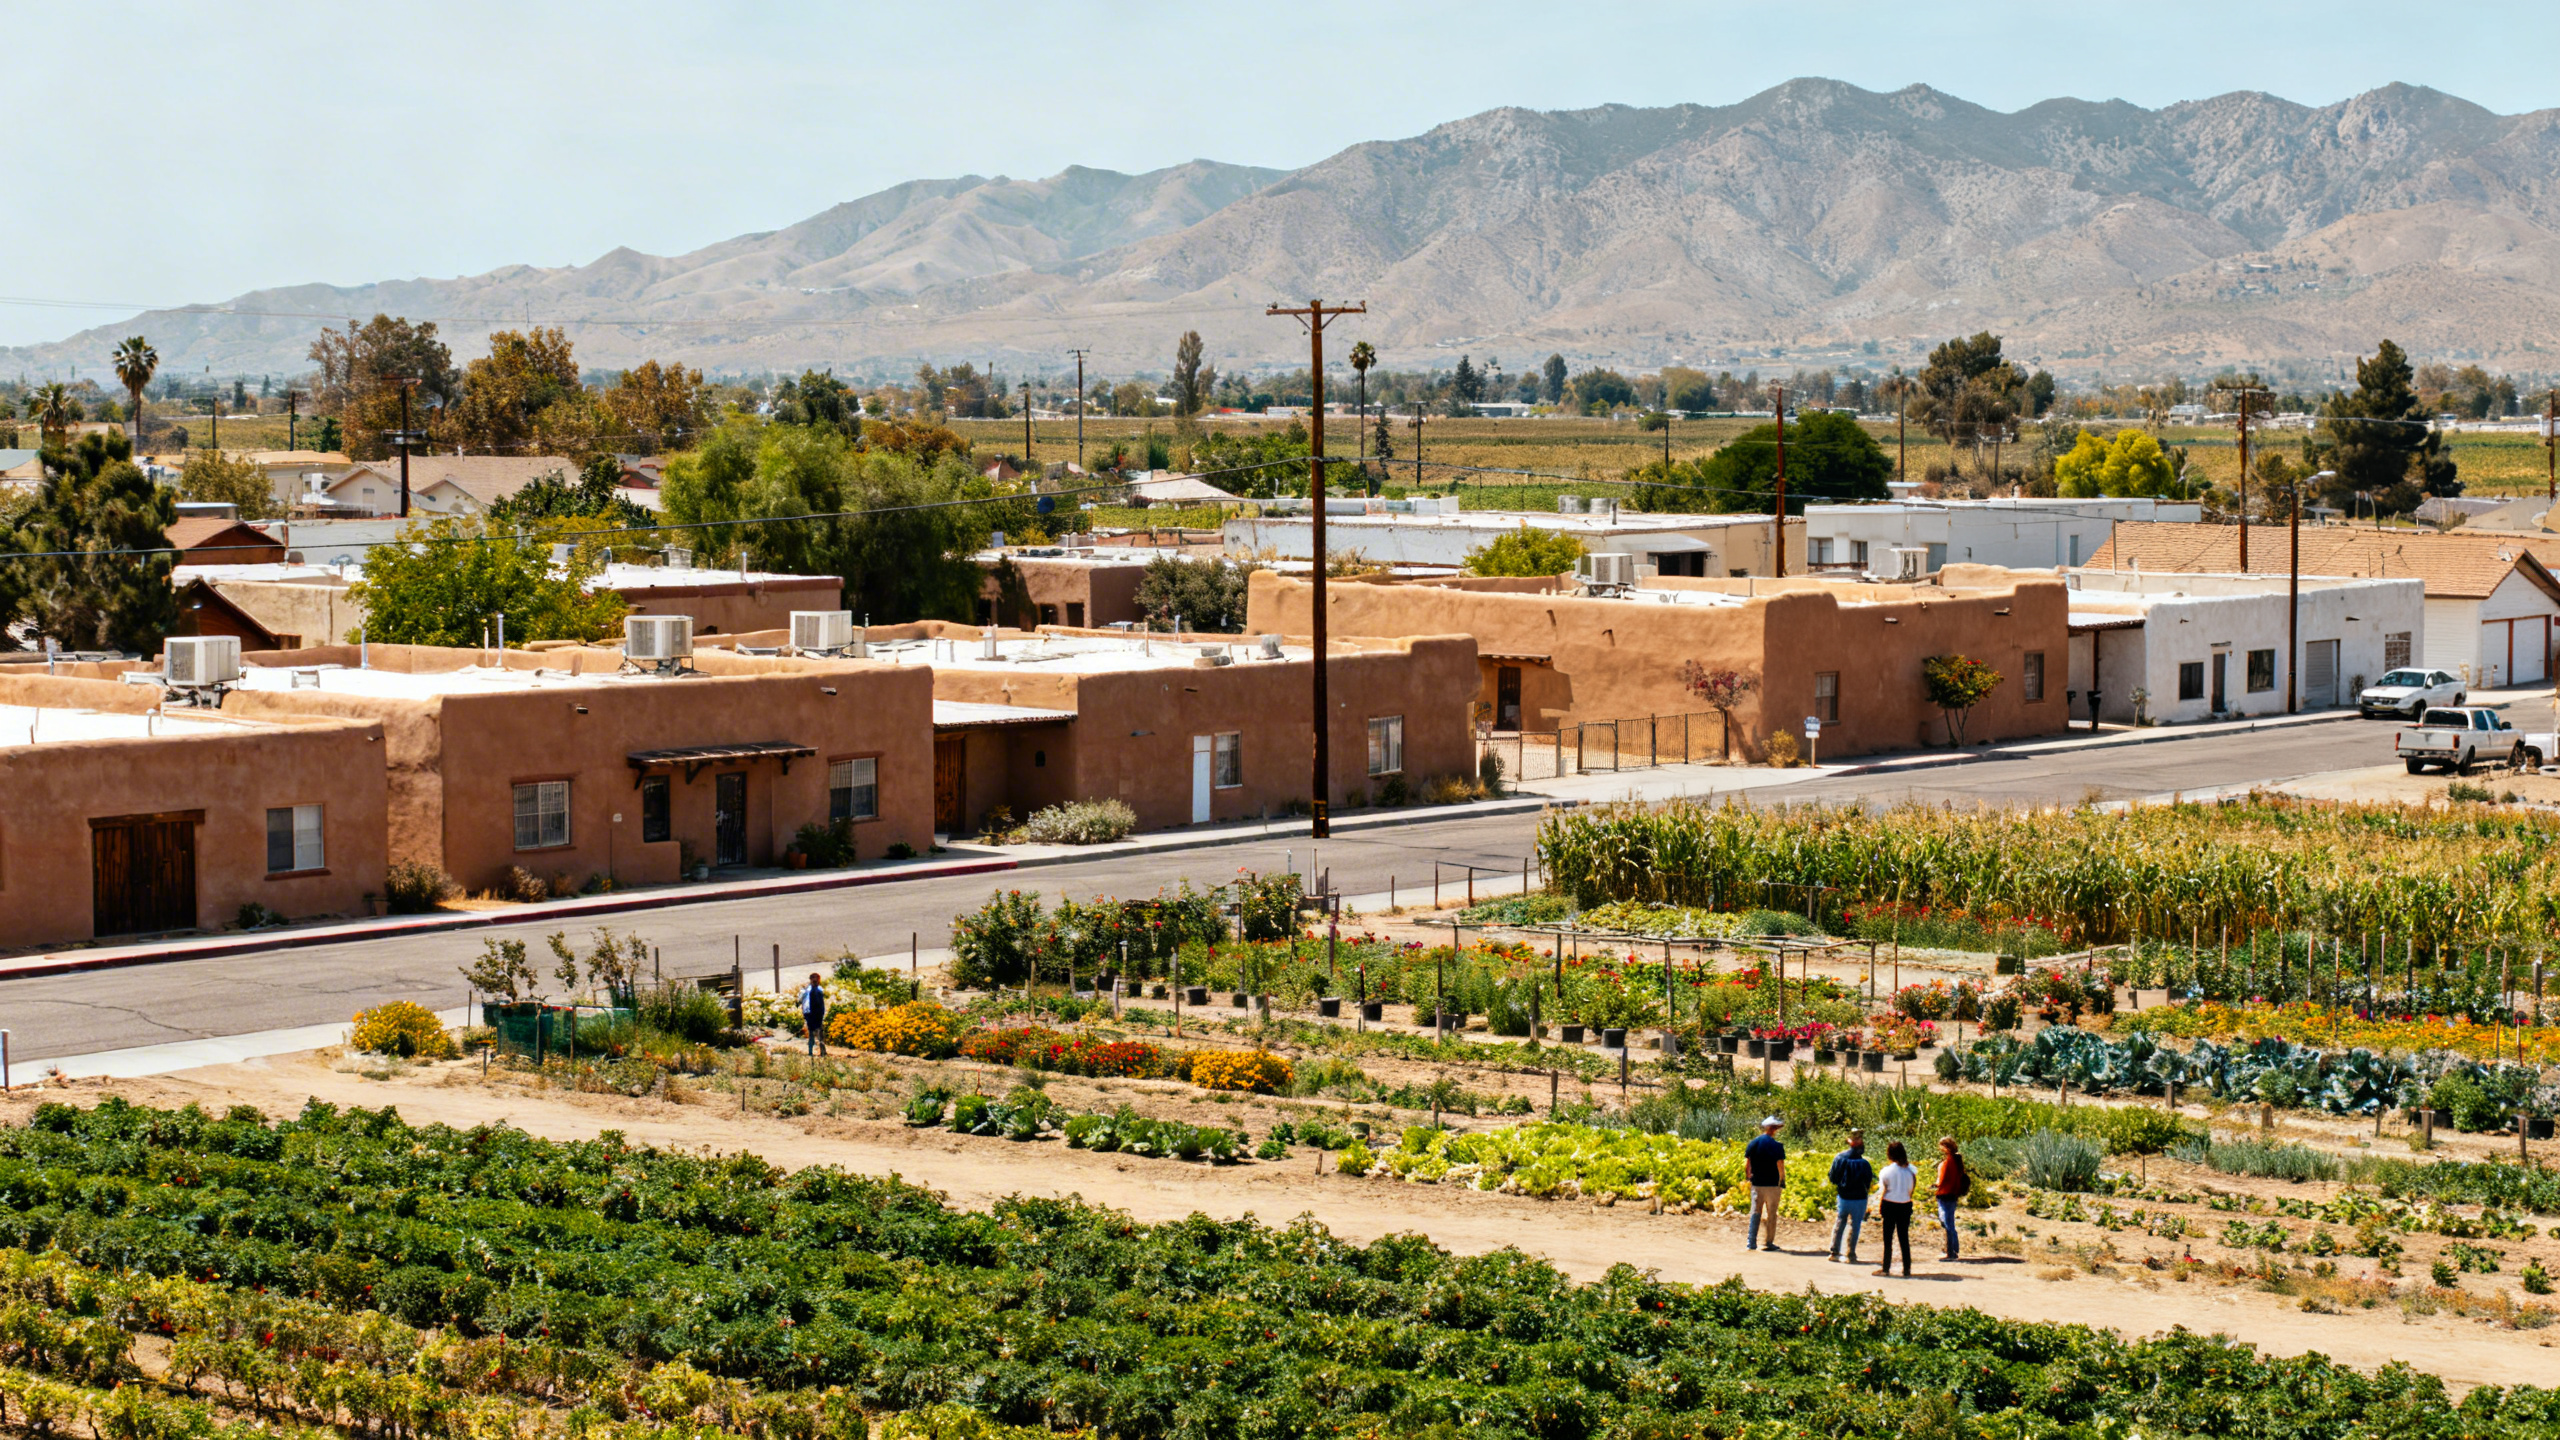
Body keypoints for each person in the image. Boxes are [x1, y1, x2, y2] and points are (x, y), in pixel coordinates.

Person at [1827, 1129, 1873, 1264]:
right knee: (1855, 1225)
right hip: (1859, 1198)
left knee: (1840, 1222)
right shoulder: (1864, 1164)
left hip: (1843, 1196)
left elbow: (1833, 1177)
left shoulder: (1840, 1158)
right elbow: (1868, 1182)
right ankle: (1850, 1254)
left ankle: (1834, 1252)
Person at [1874, 1140, 1917, 1278]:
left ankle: (1886, 1268)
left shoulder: (1886, 1171)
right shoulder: (1910, 1171)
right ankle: (1907, 1269)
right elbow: (1911, 1190)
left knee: (1888, 1239)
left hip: (1889, 1203)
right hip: (1905, 1203)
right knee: (1903, 1238)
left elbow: (1884, 1189)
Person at [1744, 1115, 1786, 1251]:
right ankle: (1768, 1242)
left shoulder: (1754, 1143)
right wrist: (1782, 1180)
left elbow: (1747, 1164)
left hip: (1757, 1183)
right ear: (1774, 1129)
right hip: (1772, 1184)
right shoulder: (1777, 1146)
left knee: (1755, 1212)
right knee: (1771, 1213)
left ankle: (1751, 1242)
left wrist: (1749, 1176)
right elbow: (1780, 1165)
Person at [1935, 1136, 1969, 1260]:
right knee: (1950, 1221)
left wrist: (1936, 1185)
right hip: (1953, 1193)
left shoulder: (1948, 1162)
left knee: (1946, 1221)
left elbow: (1942, 1180)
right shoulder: (1957, 1161)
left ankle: (1951, 1251)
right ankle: (1953, 1248)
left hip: (1945, 1193)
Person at [798, 972, 829, 1056]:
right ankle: (810, 1051)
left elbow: (821, 1003)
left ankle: (822, 1051)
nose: (815, 982)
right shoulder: (806, 990)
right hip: (809, 1013)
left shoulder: (819, 990)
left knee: (819, 1032)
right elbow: (800, 999)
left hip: (817, 1013)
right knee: (812, 1032)